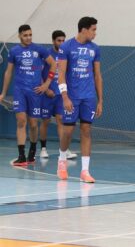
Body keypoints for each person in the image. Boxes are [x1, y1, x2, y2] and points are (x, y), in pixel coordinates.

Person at [0, 24, 56, 165]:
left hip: (35, 91)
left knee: (33, 124)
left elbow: (54, 64)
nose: (28, 37)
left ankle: (32, 152)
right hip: (20, 91)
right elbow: (8, 72)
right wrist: (3, 93)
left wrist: (46, 84)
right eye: (25, 35)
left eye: (30, 34)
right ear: (19, 36)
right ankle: (21, 155)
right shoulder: (14, 51)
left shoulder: (39, 49)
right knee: (21, 121)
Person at [57, 17, 103, 183]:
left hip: (89, 97)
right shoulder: (66, 47)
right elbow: (61, 74)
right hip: (72, 96)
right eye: (93, 29)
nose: (95, 33)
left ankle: (85, 170)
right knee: (68, 131)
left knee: (86, 130)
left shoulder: (95, 49)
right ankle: (62, 161)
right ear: (84, 29)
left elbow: (97, 76)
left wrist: (100, 100)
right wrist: (65, 97)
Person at [39, 30, 77, 159]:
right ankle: (43, 149)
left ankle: (64, 150)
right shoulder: (47, 54)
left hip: (61, 94)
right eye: (58, 40)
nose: (61, 43)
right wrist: (45, 88)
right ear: (53, 41)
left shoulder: (66, 53)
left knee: (61, 120)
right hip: (47, 94)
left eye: (63, 40)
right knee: (46, 121)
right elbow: (38, 73)